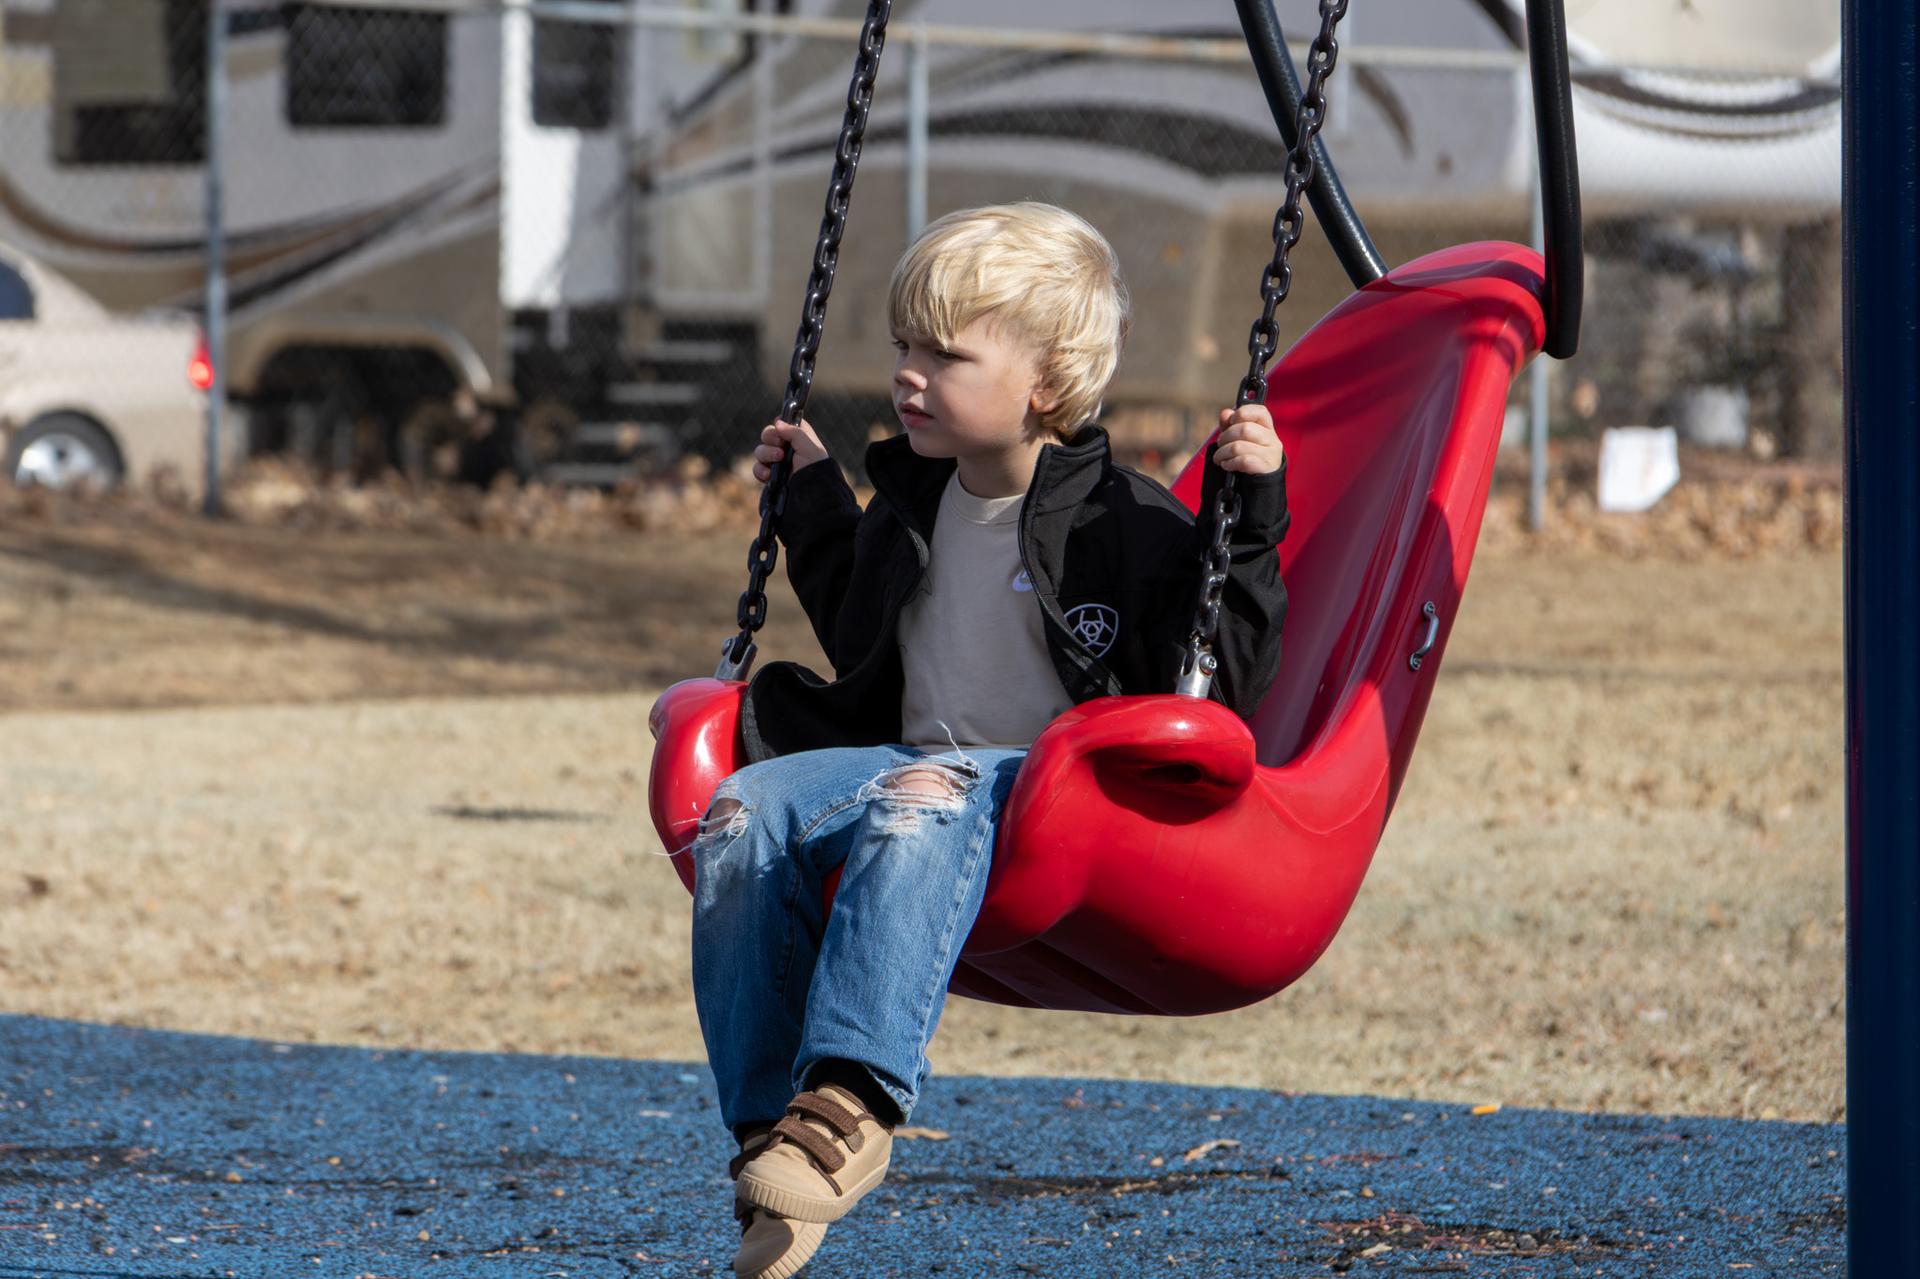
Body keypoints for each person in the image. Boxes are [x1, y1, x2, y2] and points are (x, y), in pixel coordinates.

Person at [686, 201, 1291, 1278]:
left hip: (1048, 796)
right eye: (902, 347)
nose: (910, 375)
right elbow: (858, 623)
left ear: (1045, 385)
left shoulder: (1128, 524)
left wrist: (1250, 524)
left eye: (945, 354)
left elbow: (1219, 680)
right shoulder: (913, 508)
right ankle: (770, 1132)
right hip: (903, 763)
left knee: (924, 789)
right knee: (739, 810)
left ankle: (855, 1100)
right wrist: (816, 497)